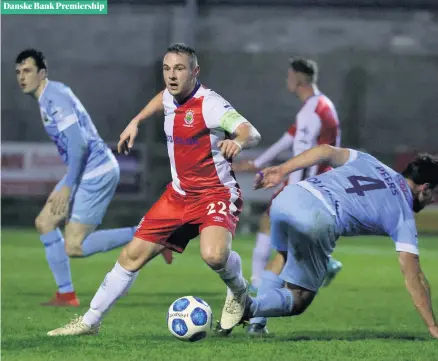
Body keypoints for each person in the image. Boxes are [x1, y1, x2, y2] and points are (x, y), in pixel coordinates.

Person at [46, 43, 261, 336]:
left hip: (215, 193)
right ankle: (90, 321)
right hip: (178, 195)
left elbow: (250, 131)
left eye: (180, 69)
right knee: (131, 255)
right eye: (167, 69)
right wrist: (136, 121)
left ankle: (239, 292)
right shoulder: (170, 96)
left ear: (195, 71)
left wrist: (237, 141)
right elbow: (160, 101)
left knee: (214, 256)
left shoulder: (209, 104)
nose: (172, 76)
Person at [225, 144, 438, 340]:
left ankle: (256, 325)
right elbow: (414, 276)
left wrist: (282, 170)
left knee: (283, 255)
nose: (432, 200)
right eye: (434, 194)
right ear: (425, 188)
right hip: (317, 217)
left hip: (291, 196)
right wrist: (432, 326)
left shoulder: (370, 161)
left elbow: (325, 151)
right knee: (299, 297)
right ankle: (247, 306)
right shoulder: (404, 216)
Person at [15, 49, 173, 307]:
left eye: (28, 71)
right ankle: (66, 295)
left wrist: (68, 186)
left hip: (95, 172)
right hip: (84, 171)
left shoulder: (54, 97)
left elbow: (79, 146)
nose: (22, 77)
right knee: (45, 222)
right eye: (18, 72)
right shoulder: (48, 97)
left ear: (42, 73)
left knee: (74, 246)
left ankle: (153, 235)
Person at [232, 57, 342, 335]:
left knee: (281, 246)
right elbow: (289, 139)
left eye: (289, 76)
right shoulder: (321, 106)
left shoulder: (312, 112)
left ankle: (258, 297)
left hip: (303, 188)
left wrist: (287, 188)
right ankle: (257, 316)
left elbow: (303, 157)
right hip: (318, 187)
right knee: (278, 241)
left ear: (299, 79)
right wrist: (257, 164)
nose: (287, 81)